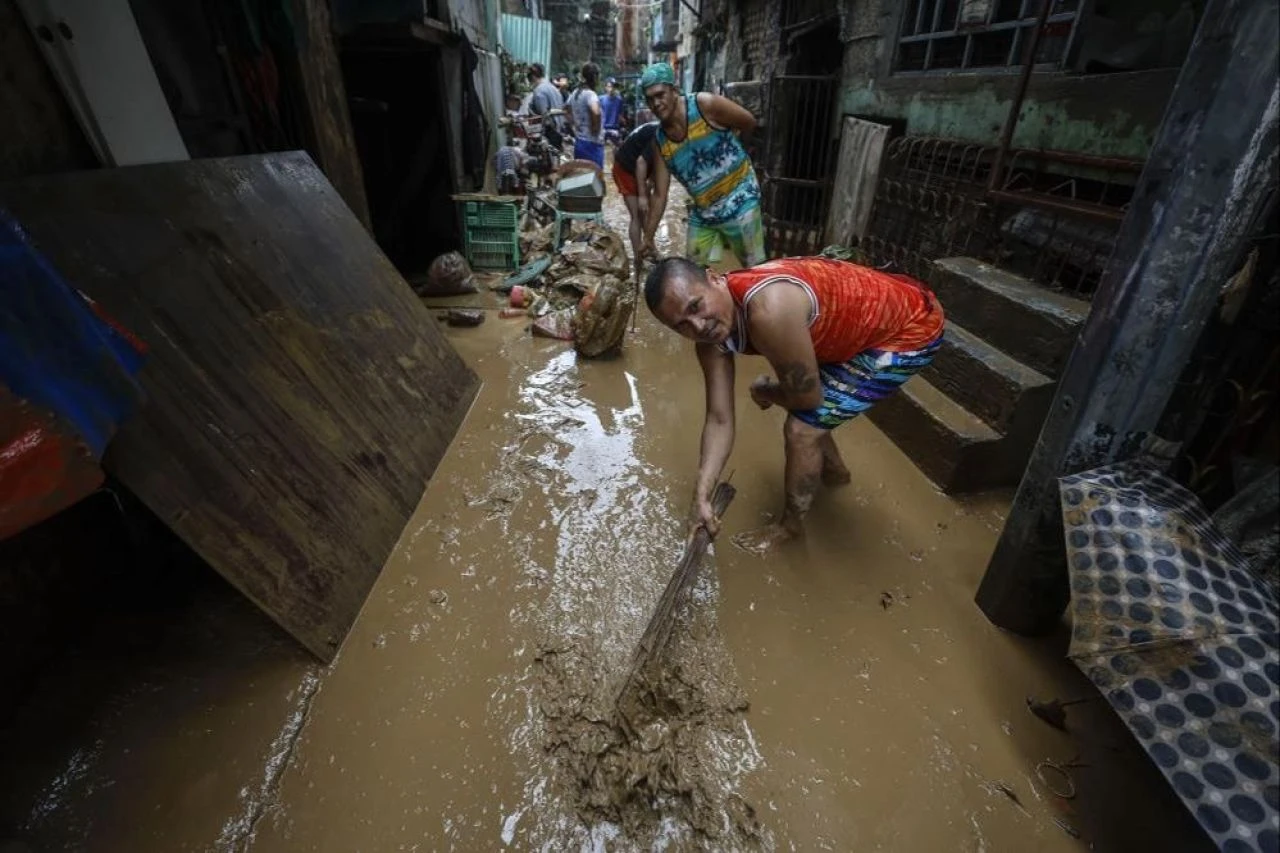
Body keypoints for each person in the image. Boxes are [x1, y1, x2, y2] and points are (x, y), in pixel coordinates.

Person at [643, 256, 946, 555]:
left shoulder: (768, 311)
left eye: (695, 306)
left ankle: (790, 528)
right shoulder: (711, 339)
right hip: (853, 324)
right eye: (681, 325)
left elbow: (808, 399)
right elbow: (719, 419)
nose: (698, 326)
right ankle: (836, 473)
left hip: (910, 328)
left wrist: (765, 391)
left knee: (802, 429)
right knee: (801, 392)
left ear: (714, 278)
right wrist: (701, 496)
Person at [639, 62, 765, 269]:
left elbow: (748, 121)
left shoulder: (705, 105)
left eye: (660, 95)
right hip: (704, 212)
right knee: (692, 274)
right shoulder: (660, 142)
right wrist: (648, 237)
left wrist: (738, 154)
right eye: (650, 99)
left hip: (741, 199)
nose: (656, 103)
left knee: (755, 271)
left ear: (674, 90)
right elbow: (660, 194)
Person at [611, 121, 660, 265]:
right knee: (636, 216)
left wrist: (649, 184)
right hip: (625, 168)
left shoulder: (663, 130)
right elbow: (641, 162)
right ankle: (638, 258)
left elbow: (657, 163)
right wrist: (643, 196)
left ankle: (651, 248)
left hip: (637, 167)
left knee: (645, 213)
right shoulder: (661, 135)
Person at [566, 62, 605, 168]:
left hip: (580, 142)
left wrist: (574, 125)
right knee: (595, 175)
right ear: (595, 77)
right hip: (592, 144)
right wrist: (595, 129)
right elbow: (596, 112)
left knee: (581, 174)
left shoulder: (575, 93)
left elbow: (566, 109)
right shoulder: (590, 94)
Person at [526, 63, 565, 148]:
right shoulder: (553, 88)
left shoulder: (539, 91)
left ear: (533, 77)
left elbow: (544, 117)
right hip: (559, 133)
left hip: (548, 137)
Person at [600, 78, 624, 143]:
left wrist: (622, 126)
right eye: (609, 86)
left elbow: (620, 115)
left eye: (613, 87)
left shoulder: (619, 100)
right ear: (606, 87)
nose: (611, 89)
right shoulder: (601, 99)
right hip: (603, 129)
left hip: (615, 129)